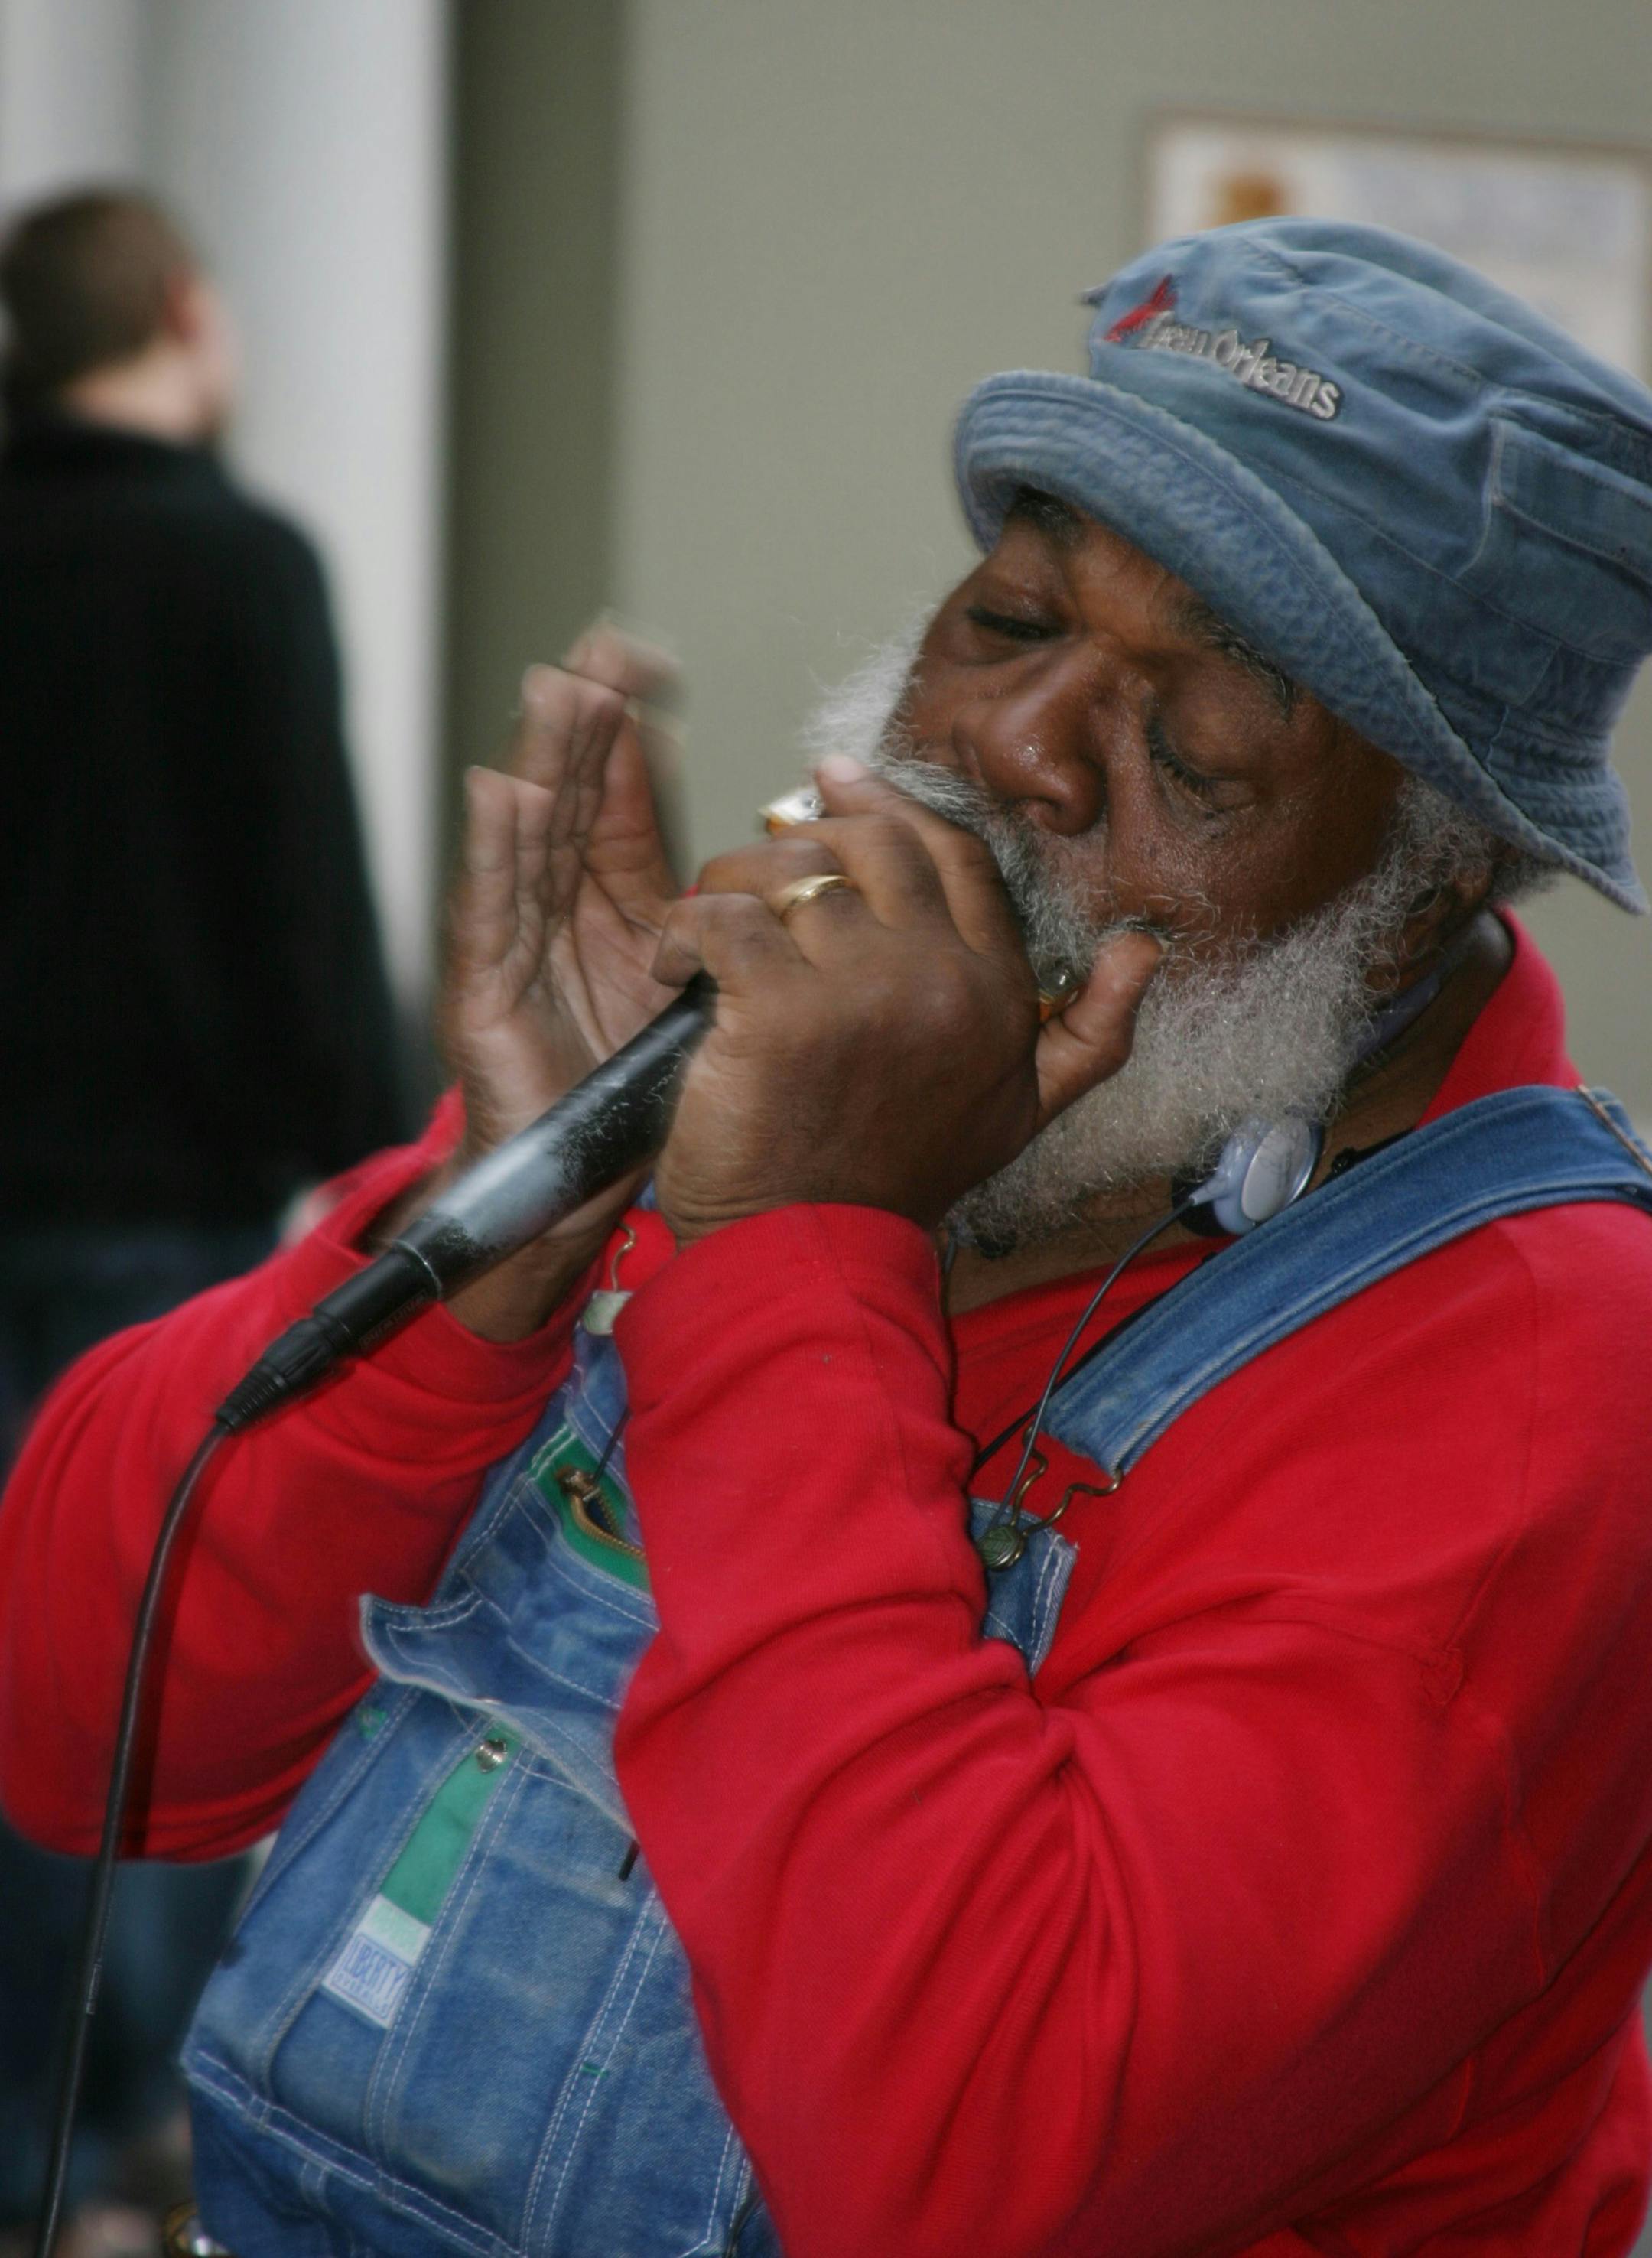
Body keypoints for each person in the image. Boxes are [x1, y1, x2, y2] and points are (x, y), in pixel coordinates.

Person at [3, 218, 1652, 2258]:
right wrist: (497, 1225)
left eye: (1196, 748)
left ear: (1439, 877)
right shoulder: (758, 1075)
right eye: (1011, 619)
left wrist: (791, 1251)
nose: (1024, 749)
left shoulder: (1538, 1382)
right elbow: (85, 1714)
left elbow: (956, 2154)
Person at [0, 188, 407, 2240]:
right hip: (144, 1225)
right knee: (116, 1685)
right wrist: (379, 1130)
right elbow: (298, 897)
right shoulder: (236, 566)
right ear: (182, 318)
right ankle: (85, 2149)